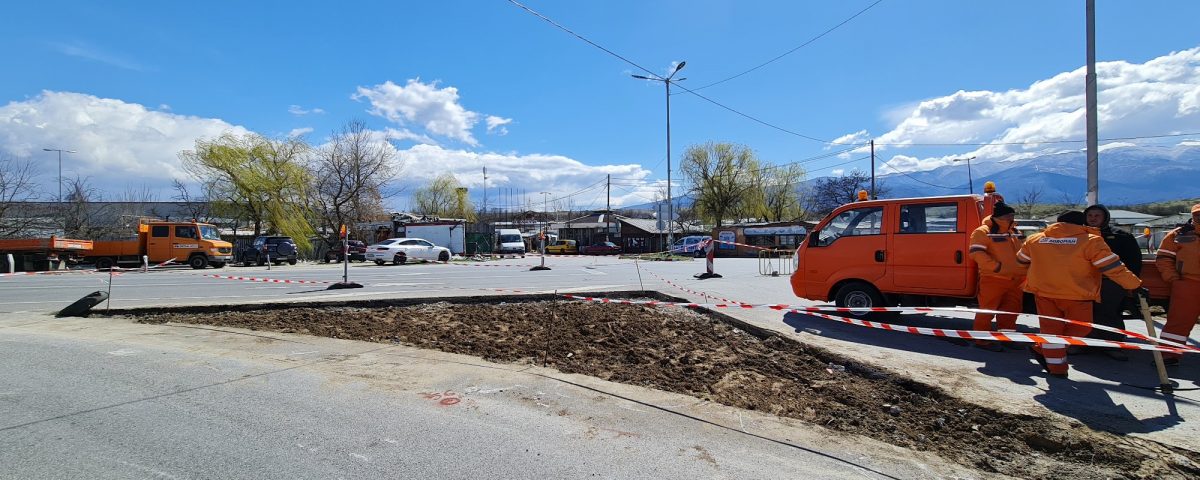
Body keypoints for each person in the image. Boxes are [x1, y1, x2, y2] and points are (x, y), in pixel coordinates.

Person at [1016, 211, 1142, 378]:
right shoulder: (1091, 241)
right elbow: (1113, 267)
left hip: (1044, 293)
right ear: (1082, 224)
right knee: (1082, 328)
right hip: (1076, 294)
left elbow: (1021, 260)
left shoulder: (1035, 239)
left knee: (1051, 331)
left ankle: (1055, 367)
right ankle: (1047, 357)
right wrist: (1134, 285)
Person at [1082, 204, 1143, 361]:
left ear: (1105, 218)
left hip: (1111, 282)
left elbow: (1134, 260)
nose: (1093, 219)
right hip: (1084, 282)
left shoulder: (1121, 235)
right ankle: (1084, 343)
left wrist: (1130, 283)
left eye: (1097, 215)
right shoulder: (1079, 235)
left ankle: (1112, 345)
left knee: (1109, 313)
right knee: (1084, 313)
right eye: (1090, 216)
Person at [968, 201, 1026, 352]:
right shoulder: (983, 231)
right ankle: (981, 340)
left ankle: (1006, 338)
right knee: (987, 311)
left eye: (1012, 215)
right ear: (1001, 216)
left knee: (1011, 311)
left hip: (1016, 280)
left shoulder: (1015, 231)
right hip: (993, 279)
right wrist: (996, 267)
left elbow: (1025, 250)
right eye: (1009, 215)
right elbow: (976, 253)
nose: (1012, 217)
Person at [1155, 204, 1200, 366]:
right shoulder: (1178, 234)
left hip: (1186, 285)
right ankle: (1169, 355)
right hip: (1187, 284)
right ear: (1192, 216)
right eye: (1197, 215)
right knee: (1178, 322)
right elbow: (1163, 258)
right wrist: (1173, 279)